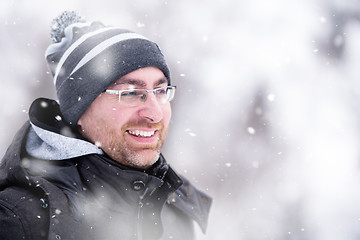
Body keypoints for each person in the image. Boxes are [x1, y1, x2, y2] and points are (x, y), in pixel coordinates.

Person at [0, 11, 211, 240]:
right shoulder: (20, 220)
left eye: (160, 91)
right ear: (79, 110)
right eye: (131, 93)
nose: (154, 113)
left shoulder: (175, 209)